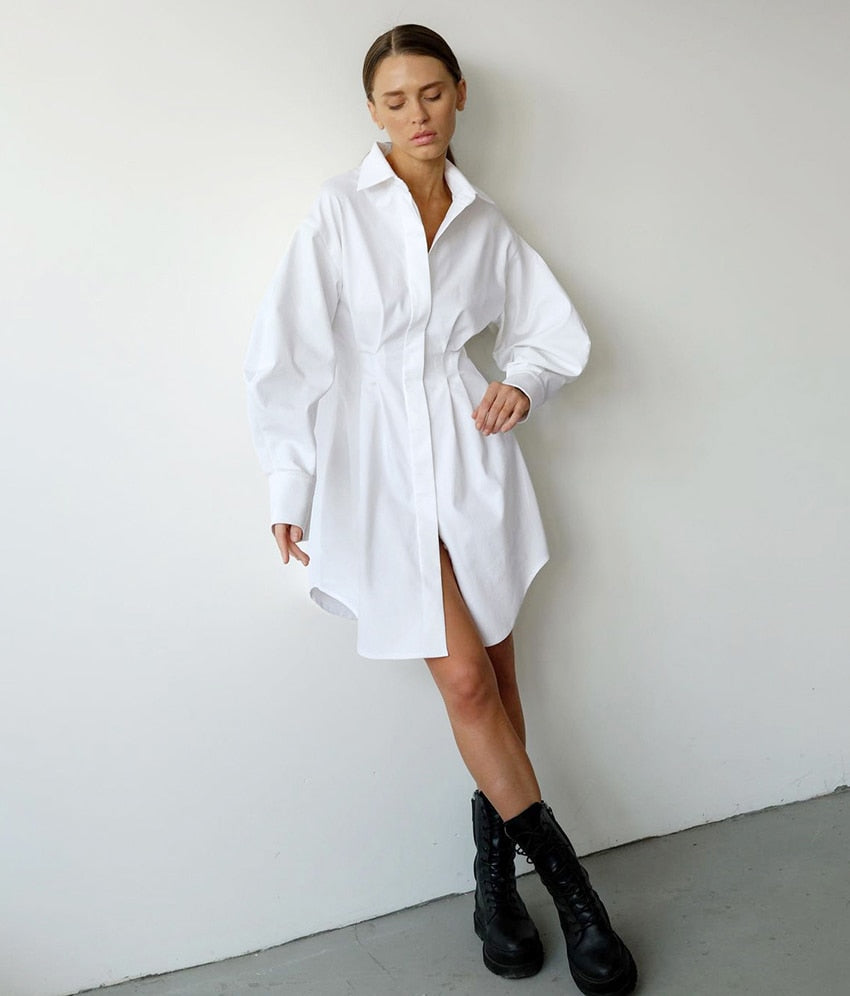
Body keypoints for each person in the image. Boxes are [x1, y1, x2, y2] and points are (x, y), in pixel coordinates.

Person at [244, 24, 638, 996]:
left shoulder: (485, 222)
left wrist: (523, 384)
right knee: (465, 680)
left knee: (496, 678)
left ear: (459, 94)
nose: (415, 115)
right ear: (372, 111)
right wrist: (288, 483)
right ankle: (578, 900)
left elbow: (551, 334)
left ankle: (493, 892)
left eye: (430, 93)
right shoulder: (338, 211)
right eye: (394, 100)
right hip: (373, 466)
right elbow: (285, 355)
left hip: (469, 455)